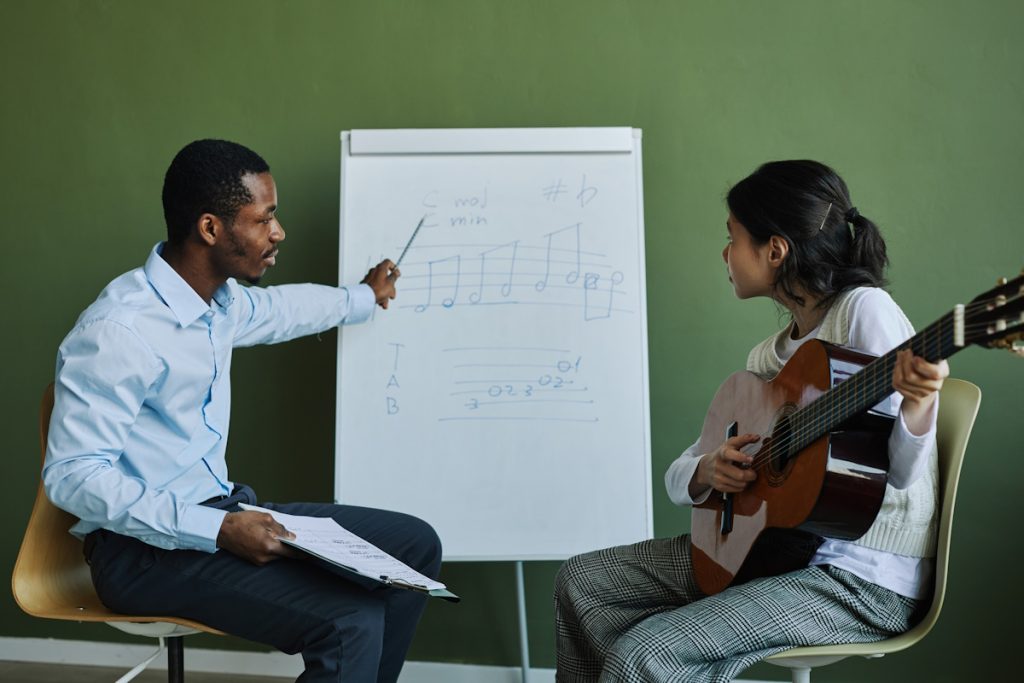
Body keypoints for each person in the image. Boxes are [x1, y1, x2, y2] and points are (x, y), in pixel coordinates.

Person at [43, 139, 442, 683]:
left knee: (414, 547)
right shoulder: (119, 331)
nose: (277, 233)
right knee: (352, 619)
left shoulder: (217, 304)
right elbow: (73, 478)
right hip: (139, 553)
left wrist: (363, 297)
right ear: (211, 229)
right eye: (264, 218)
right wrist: (218, 528)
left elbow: (283, 310)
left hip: (221, 513)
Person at [553, 160, 950, 682]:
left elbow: (897, 474)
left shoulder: (864, 313)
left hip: (859, 579)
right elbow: (682, 471)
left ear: (775, 250)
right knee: (583, 581)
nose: (725, 253)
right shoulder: (771, 358)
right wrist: (708, 470)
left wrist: (918, 406)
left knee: (644, 655)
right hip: (771, 553)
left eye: (733, 238)